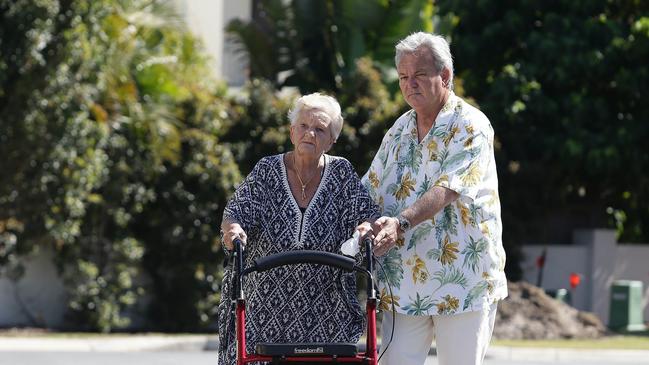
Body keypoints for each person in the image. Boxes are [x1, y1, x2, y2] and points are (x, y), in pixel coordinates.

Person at [361, 32, 507, 365]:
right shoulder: (399, 129)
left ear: (445, 76)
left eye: (419, 75)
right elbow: (369, 187)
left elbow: (446, 188)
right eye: (403, 77)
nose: (409, 84)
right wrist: (362, 224)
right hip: (403, 282)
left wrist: (399, 223)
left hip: (462, 284)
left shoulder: (471, 124)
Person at [218, 93, 379, 364]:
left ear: (332, 140)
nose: (310, 134)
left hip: (328, 312)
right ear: (292, 132)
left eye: (320, 129)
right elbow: (234, 214)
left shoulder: (342, 174)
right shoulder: (266, 171)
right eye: (303, 126)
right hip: (263, 311)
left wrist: (365, 228)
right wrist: (234, 230)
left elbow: (368, 217)